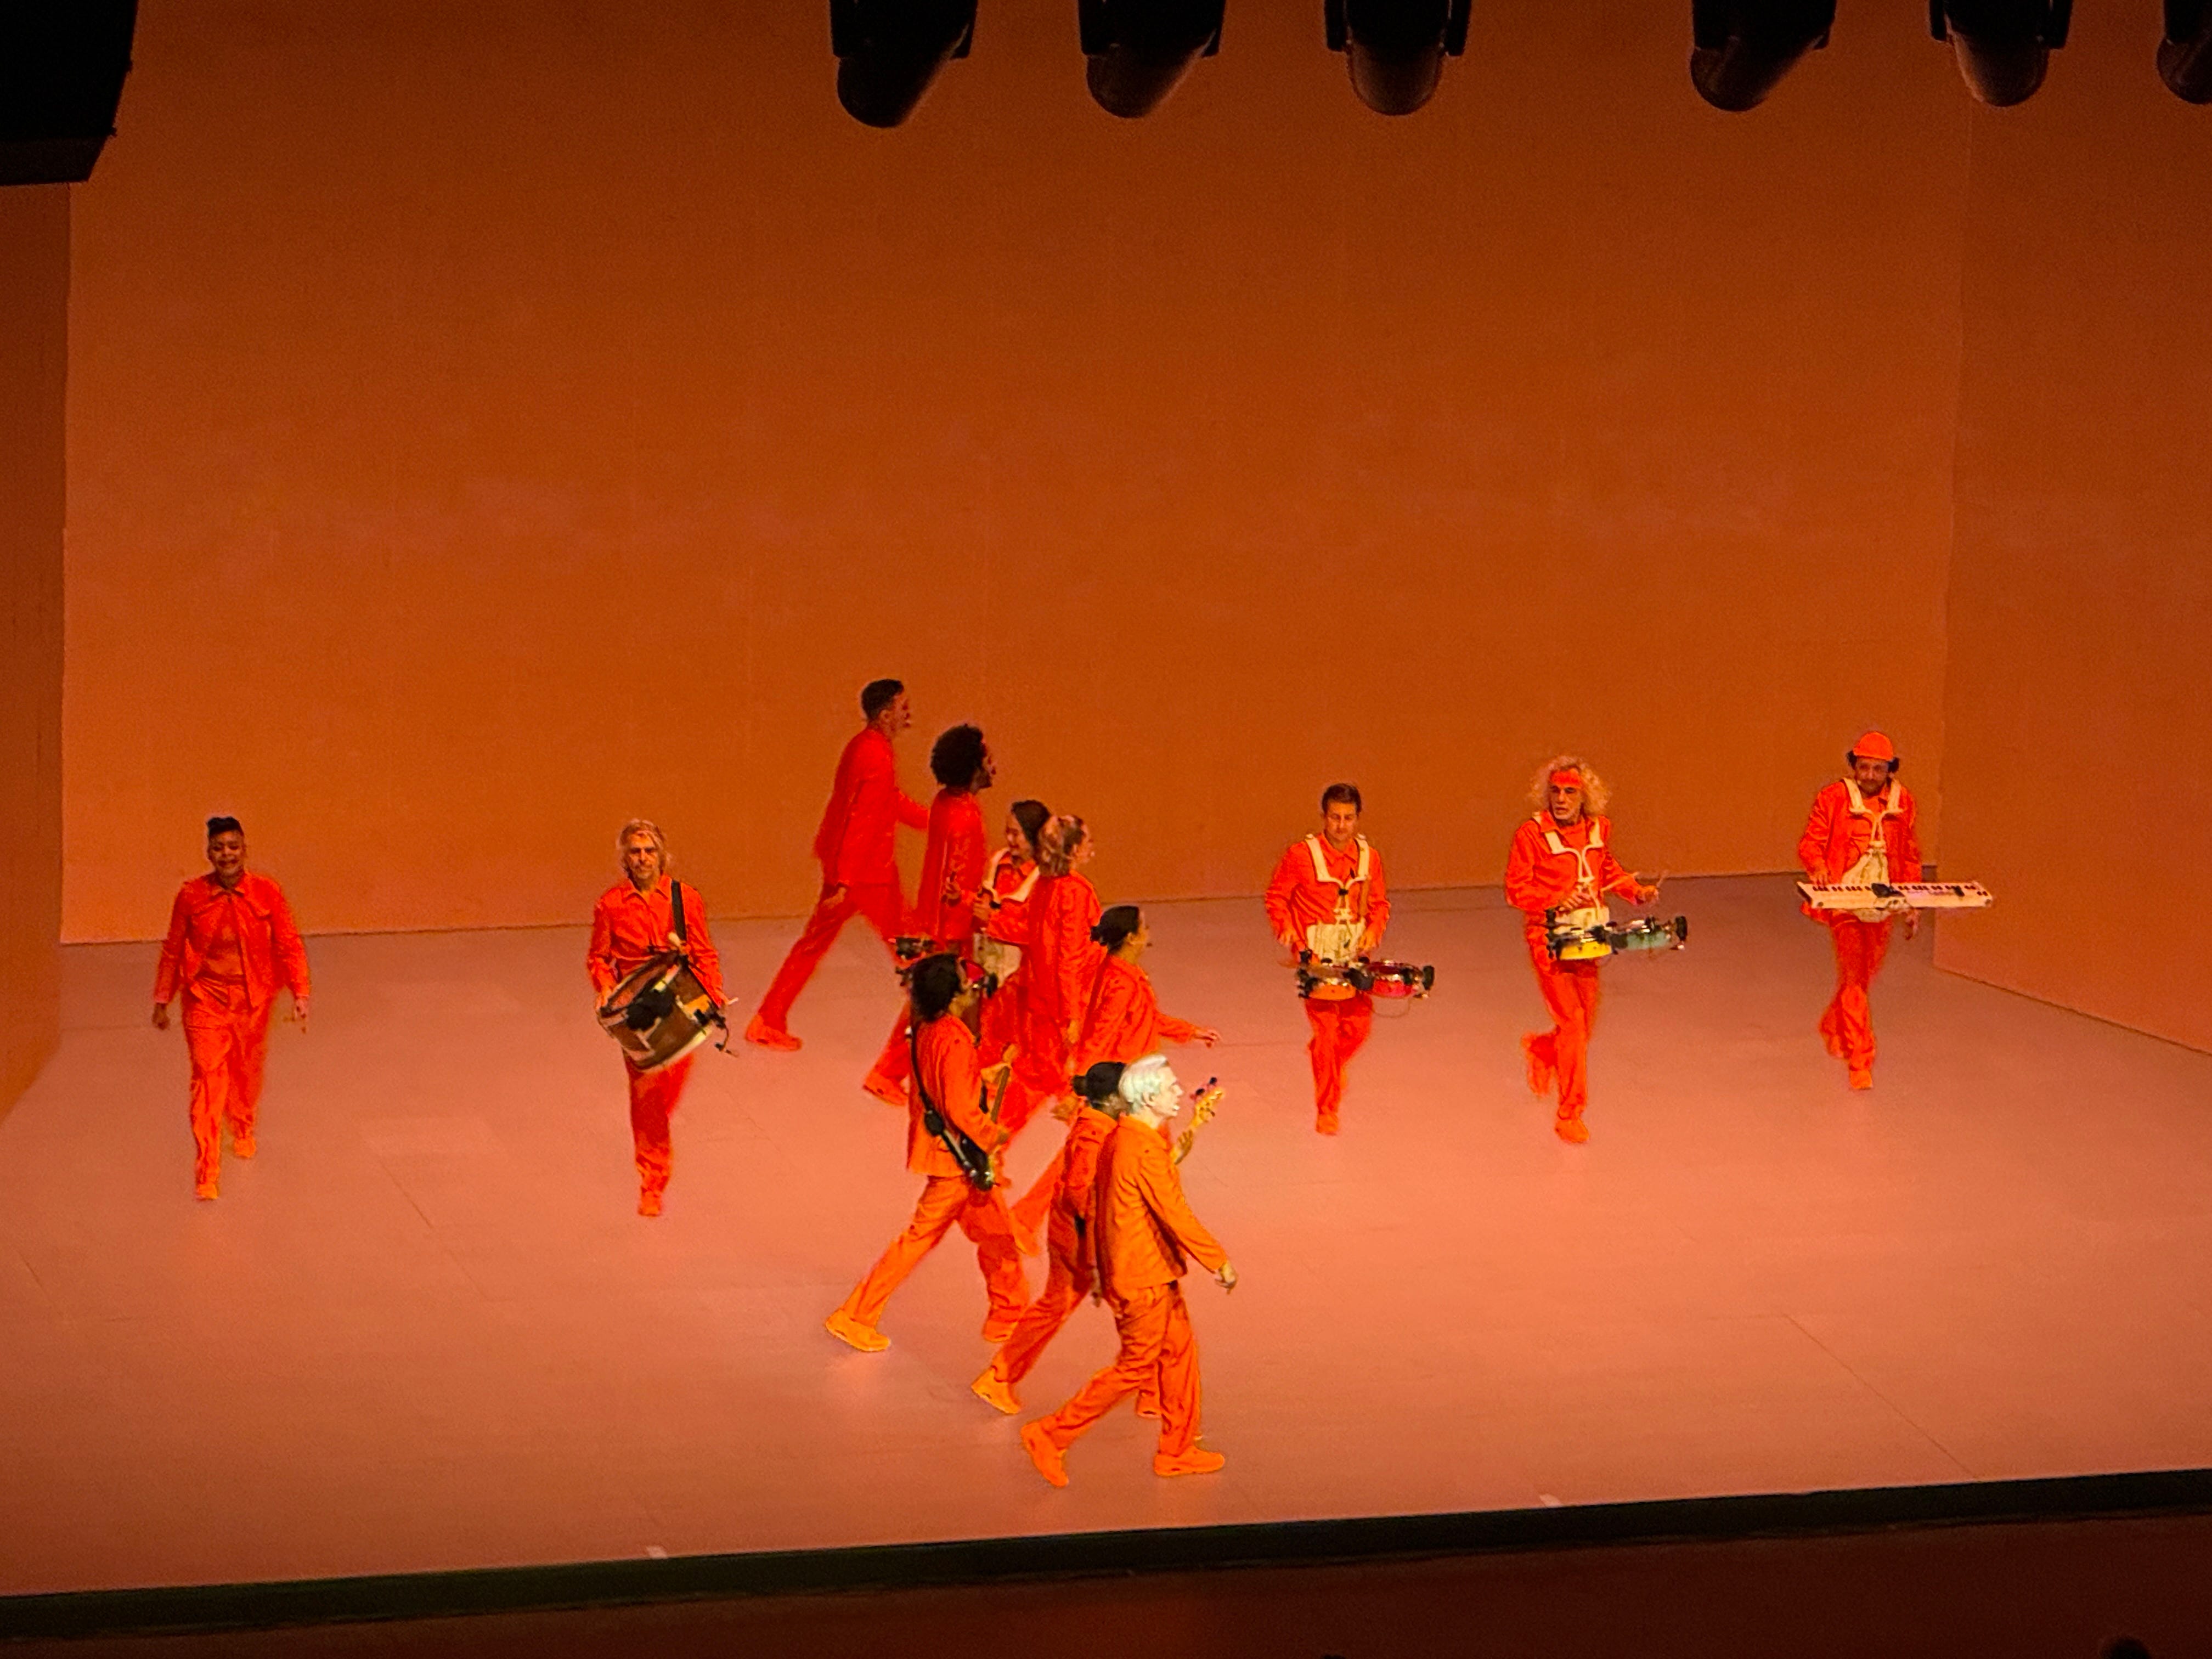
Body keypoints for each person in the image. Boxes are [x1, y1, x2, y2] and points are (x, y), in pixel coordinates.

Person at [1020, 1056, 1236, 1488]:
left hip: (1146, 1270)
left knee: (1179, 1354)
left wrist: (1195, 1125)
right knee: (1135, 1367)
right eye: (1171, 1088)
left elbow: (1121, 1198)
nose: (1180, 1092)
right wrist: (1217, 1260)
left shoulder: (1125, 1137)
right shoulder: (1139, 1148)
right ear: (1149, 1097)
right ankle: (1052, 1434)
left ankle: (1177, 1449)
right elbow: (1173, 1211)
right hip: (1143, 1276)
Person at [826, 954, 1031, 1352]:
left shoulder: (927, 1029)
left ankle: (1008, 1312)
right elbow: (959, 1107)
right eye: (964, 984)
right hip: (958, 1160)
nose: (971, 988)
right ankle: (855, 1315)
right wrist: (994, 1134)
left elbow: (945, 1084)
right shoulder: (954, 1039)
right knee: (926, 1238)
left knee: (996, 1236)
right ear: (953, 997)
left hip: (948, 1153)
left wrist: (981, 1076)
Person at [746, 679, 927, 1051]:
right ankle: (936, 1020)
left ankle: (768, 1019)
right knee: (910, 946)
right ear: (885, 714)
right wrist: (846, 880)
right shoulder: (875, 754)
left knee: (814, 945)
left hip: (856, 869)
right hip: (867, 874)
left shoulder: (864, 746)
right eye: (902, 706)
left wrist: (930, 820)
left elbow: (885, 801)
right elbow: (862, 818)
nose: (908, 713)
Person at [152, 817, 311, 1200]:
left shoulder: (267, 892)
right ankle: (207, 1169)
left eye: (233, 847)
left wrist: (301, 990)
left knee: (245, 1072)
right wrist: (162, 999)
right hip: (204, 999)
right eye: (219, 848)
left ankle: (242, 1125)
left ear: (244, 850)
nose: (227, 854)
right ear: (209, 853)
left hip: (253, 1000)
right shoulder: (190, 895)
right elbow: (173, 948)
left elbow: (289, 943)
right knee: (207, 1078)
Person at [1505, 757, 1660, 1144]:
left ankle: (1543, 1049)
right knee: (1573, 1022)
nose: (1561, 799)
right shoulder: (1531, 835)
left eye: (1570, 792)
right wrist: (1556, 901)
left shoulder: (1598, 829)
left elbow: (1606, 870)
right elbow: (1516, 890)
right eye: (1556, 791)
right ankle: (1570, 1112)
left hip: (1590, 937)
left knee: (1583, 1026)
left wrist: (1636, 892)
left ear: (1584, 796)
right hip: (1549, 939)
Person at [587, 820, 725, 1216]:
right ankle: (652, 1180)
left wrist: (714, 993)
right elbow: (599, 957)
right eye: (635, 852)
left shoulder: (686, 899)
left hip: (681, 998)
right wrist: (606, 988)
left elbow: (704, 952)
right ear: (625, 858)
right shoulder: (610, 905)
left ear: (661, 855)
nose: (643, 858)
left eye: (649, 851)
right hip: (639, 1009)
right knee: (647, 1094)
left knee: (669, 1088)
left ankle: (653, 1133)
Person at [972, 1061, 1125, 1415]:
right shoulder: (1095, 1134)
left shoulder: (1098, 1124)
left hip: (1074, 1233)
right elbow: (1080, 1192)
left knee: (1055, 1306)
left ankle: (1001, 1375)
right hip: (1080, 1237)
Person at [862, 724, 997, 1104]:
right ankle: (889, 1071)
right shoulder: (964, 817)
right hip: (953, 929)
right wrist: (955, 935)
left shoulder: (945, 804)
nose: (993, 765)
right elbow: (954, 878)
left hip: (943, 923)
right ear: (973, 767)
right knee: (934, 1003)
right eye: (987, 758)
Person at [1797, 731, 1923, 1091]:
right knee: (1853, 978)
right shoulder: (1834, 797)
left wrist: (1911, 902)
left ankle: (1833, 1026)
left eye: (1877, 769)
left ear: (1890, 770)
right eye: (1863, 767)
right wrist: (1819, 866)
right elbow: (1811, 842)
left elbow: (1909, 855)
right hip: (1845, 900)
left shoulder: (1903, 802)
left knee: (1865, 976)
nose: (1869, 775)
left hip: (1883, 902)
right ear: (1854, 766)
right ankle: (1861, 1059)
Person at [1264, 784, 1391, 1135]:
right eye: (1335, 817)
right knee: (1326, 1033)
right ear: (1324, 817)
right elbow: (1276, 897)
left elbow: (1380, 904)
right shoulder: (1300, 856)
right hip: (1315, 956)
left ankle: (1330, 1066)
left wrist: (1374, 930)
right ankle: (1327, 1108)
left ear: (1357, 819)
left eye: (1348, 818)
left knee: (1359, 1028)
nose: (1341, 825)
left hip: (1353, 954)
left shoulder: (1369, 858)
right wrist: (1287, 931)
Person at [1018, 815, 1103, 1122]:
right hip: (1067, 998)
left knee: (1048, 1077)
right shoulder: (1075, 892)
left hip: (1041, 994)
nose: (1091, 846)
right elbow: (1070, 955)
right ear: (1074, 849)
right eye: (1086, 840)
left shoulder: (1042, 886)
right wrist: (1073, 1014)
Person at [974, 798, 1051, 1073]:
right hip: (989, 967)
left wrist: (993, 922)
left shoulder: (1044, 878)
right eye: (1008, 832)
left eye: (1016, 834)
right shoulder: (998, 862)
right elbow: (983, 905)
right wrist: (963, 900)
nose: (1010, 839)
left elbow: (1035, 933)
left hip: (1022, 978)